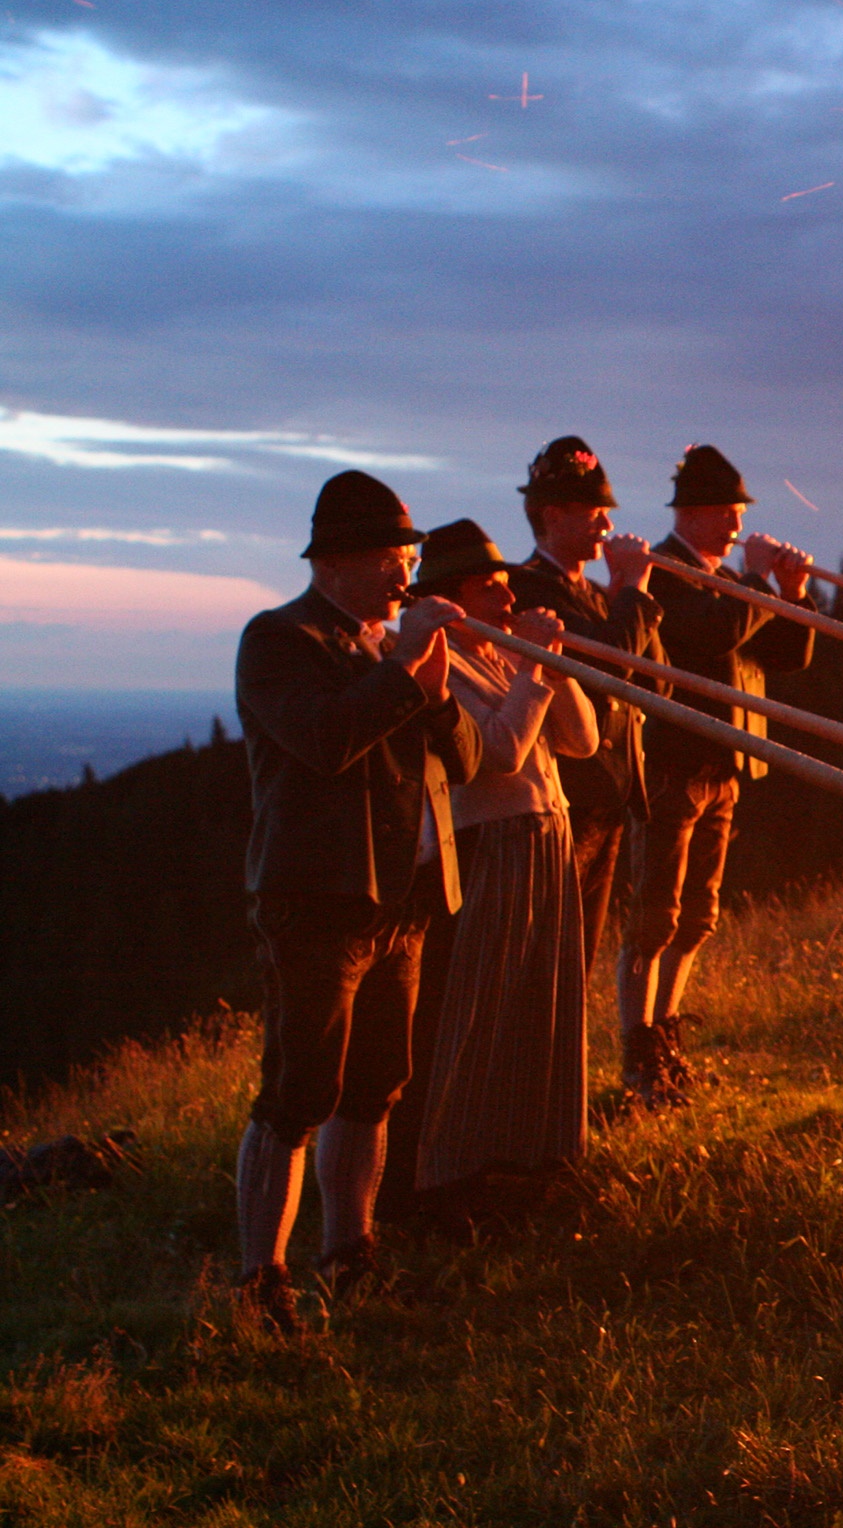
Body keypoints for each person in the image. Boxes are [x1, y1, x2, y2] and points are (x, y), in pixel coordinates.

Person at [233, 470, 479, 1330]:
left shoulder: (388, 647)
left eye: (407, 555)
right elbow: (327, 741)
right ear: (334, 562)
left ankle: (350, 1254)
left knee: (375, 1088)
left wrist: (441, 693)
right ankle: (261, 1281)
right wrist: (410, 667)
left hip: (397, 904)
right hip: (318, 903)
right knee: (299, 1093)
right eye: (388, 557)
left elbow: (471, 758)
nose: (402, 573)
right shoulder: (277, 639)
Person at [401, 520, 600, 1216]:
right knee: (480, 1010)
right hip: (489, 844)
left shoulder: (502, 656)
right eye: (490, 586)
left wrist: (548, 665)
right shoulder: (441, 663)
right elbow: (498, 754)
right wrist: (532, 670)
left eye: (507, 583)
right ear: (452, 598)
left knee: (540, 1005)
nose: (507, 597)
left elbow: (582, 739)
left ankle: (531, 1153)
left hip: (546, 836)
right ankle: (453, 1171)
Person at [618, 443, 815, 1104]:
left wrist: (791, 594)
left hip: (726, 760)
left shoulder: (731, 580)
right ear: (694, 515)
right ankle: (636, 1045)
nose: (736, 531)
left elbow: (784, 655)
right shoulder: (662, 572)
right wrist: (759, 584)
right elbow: (709, 636)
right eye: (728, 516)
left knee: (698, 914)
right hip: (674, 759)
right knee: (655, 912)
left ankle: (666, 1032)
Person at [504, 437, 663, 981]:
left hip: (608, 794)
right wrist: (634, 595)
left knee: (581, 953)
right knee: (546, 951)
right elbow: (605, 675)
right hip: (566, 794)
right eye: (594, 514)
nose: (605, 528)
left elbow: (655, 683)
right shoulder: (527, 587)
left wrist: (628, 596)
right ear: (552, 515)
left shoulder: (598, 594)